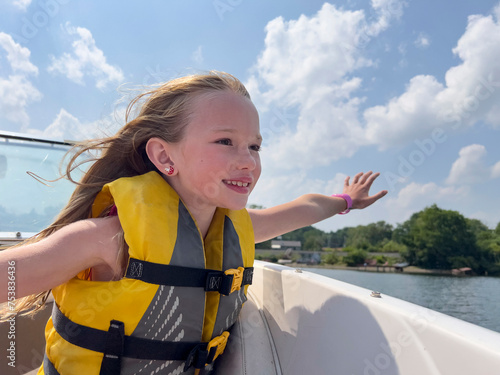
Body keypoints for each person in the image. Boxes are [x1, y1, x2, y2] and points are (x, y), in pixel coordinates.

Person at [0, 71, 387, 375]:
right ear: (164, 156)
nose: (248, 162)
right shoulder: (106, 239)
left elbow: (304, 209)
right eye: (225, 142)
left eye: (255, 146)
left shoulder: (236, 229)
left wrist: (347, 200)